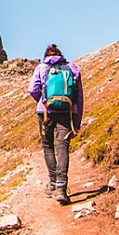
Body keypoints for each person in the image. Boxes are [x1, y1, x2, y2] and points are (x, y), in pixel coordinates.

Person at [28, 44, 84, 204]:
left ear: (46, 56)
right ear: (60, 55)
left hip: (45, 113)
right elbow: (78, 96)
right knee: (63, 147)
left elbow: (33, 89)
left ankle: (52, 183)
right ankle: (61, 188)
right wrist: (77, 121)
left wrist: (43, 101)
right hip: (67, 113)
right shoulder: (72, 67)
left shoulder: (41, 67)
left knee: (48, 147)